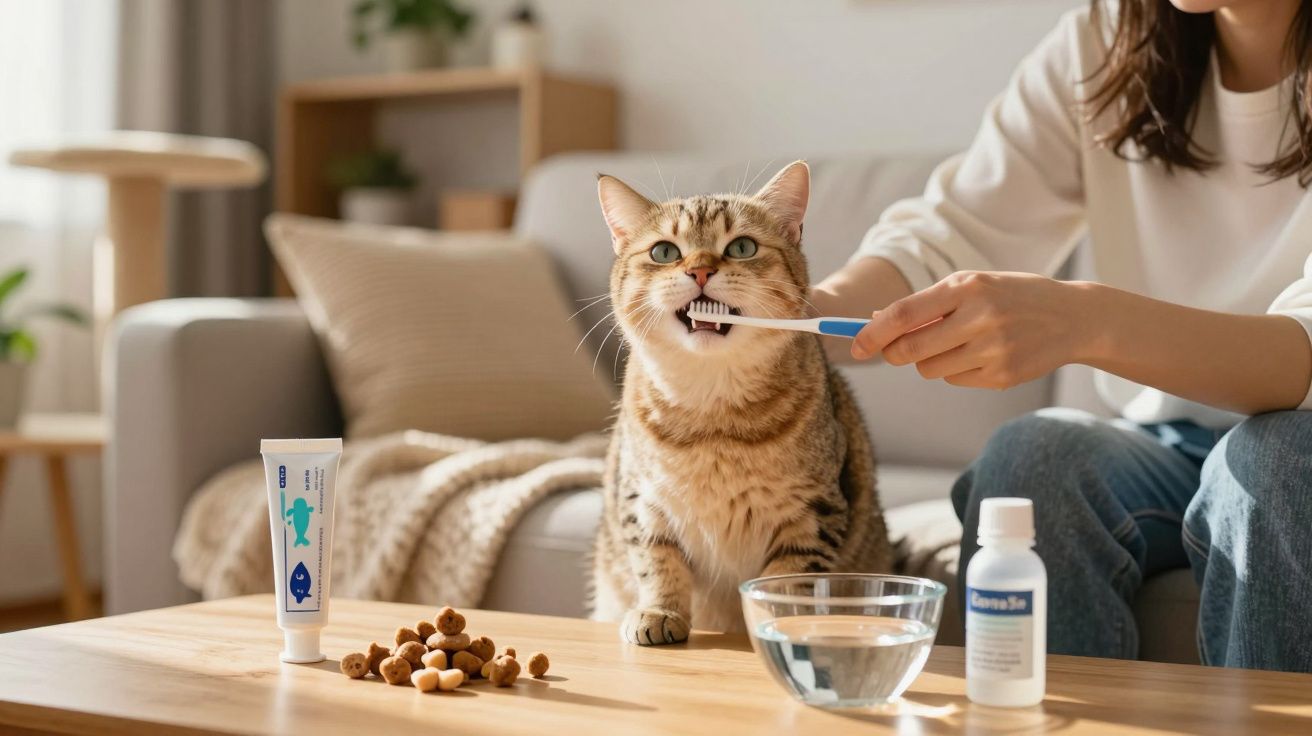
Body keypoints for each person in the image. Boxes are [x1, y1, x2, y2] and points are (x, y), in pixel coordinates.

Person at [811, 0, 1312, 673]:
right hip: (1172, 442)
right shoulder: (1109, 39)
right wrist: (799, 316)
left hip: (1293, 447)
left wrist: (1084, 321)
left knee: (1273, 466)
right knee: (1034, 457)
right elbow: (949, 235)